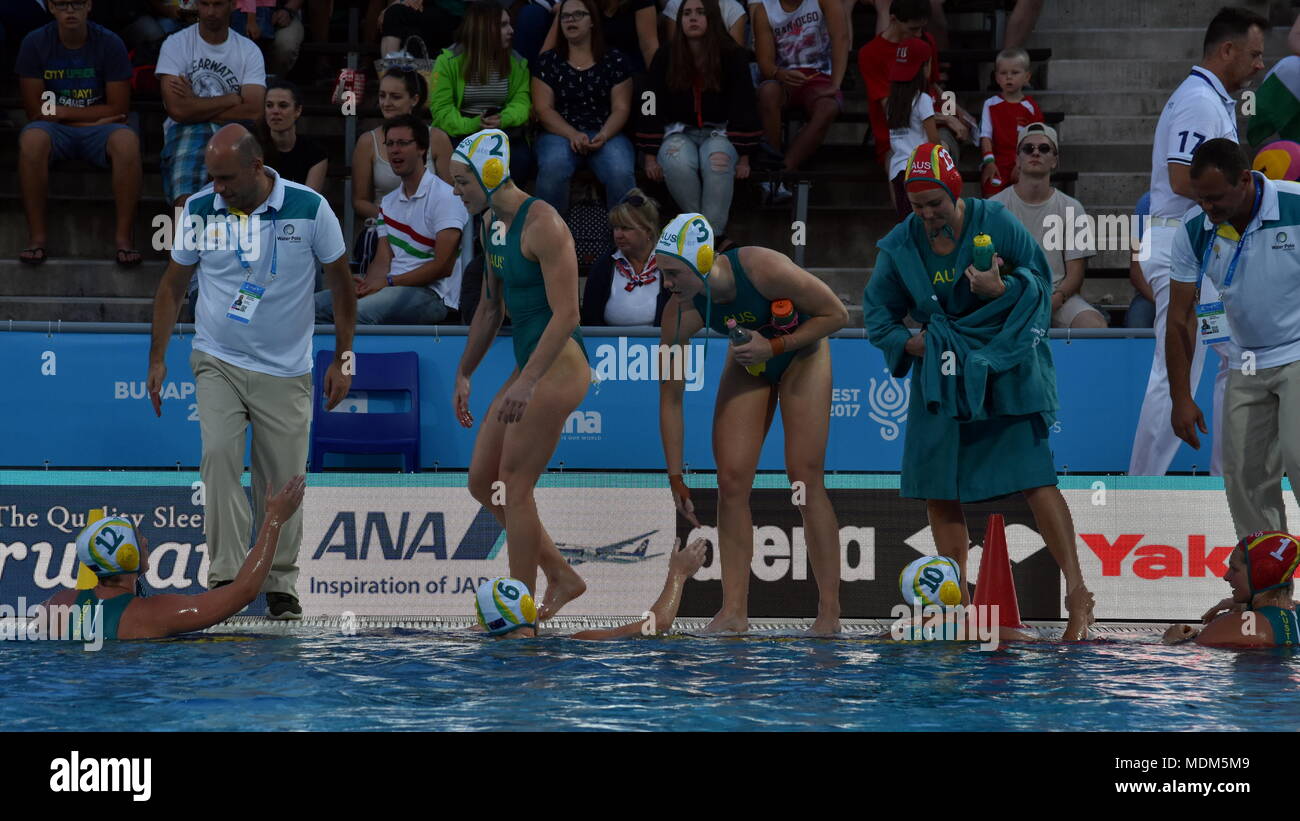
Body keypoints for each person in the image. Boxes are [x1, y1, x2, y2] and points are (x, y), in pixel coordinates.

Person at [862, 143, 1095, 640]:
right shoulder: (900, 245)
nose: (926, 215)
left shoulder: (994, 221)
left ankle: (1079, 595)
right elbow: (877, 313)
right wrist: (910, 341)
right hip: (942, 370)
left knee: (1036, 478)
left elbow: (1038, 277)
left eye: (935, 204)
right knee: (940, 490)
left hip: (1001, 363)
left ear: (955, 192)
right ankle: (958, 607)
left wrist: (1000, 291)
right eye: (918, 206)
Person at [147, 124, 357, 619]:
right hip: (218, 358)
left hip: (287, 370)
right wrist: (157, 357)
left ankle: (280, 583)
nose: (217, 188)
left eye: (226, 179)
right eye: (212, 178)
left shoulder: (310, 208)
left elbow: (344, 289)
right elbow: (172, 287)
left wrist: (345, 358)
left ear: (257, 167)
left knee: (283, 481)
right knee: (218, 454)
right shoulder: (199, 210)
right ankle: (224, 577)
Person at [656, 213, 849, 635]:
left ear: (703, 261)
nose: (666, 284)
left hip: (803, 355)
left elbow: (836, 314)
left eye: (672, 274)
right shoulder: (678, 314)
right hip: (749, 361)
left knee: (803, 480)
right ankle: (733, 612)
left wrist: (775, 344)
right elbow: (670, 396)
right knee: (731, 480)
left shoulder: (763, 267)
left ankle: (829, 613)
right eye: (663, 274)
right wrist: (675, 474)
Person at [449, 128, 591, 620]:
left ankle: (520, 612)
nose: (455, 190)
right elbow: (490, 307)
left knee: (513, 485)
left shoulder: (544, 224)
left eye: (462, 181)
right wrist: (465, 372)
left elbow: (568, 314)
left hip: (559, 366)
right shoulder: (490, 223)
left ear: (491, 176)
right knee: (481, 482)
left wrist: (527, 383)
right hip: (529, 364)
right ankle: (564, 576)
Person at [1129, 6, 1268, 478]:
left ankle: (1227, 479)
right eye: (1253, 54)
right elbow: (1181, 179)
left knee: (1234, 354)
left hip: (1202, 247)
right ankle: (1138, 490)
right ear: (1226, 50)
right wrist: (1247, 197)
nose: (1259, 66)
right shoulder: (1199, 102)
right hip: (1180, 245)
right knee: (1177, 370)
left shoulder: (1208, 100)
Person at [1168, 138, 1300, 540]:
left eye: (1215, 198)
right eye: (1201, 199)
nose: (1208, 208)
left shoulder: (1295, 205)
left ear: (1244, 180)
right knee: (1241, 478)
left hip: (1297, 352)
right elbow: (1180, 317)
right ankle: (1269, 590)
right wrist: (1180, 398)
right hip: (1244, 362)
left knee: (1298, 457)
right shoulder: (1194, 230)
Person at [35, 478, 306, 640]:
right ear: (128, 555)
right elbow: (244, 591)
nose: (145, 541)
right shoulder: (152, 614)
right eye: (138, 537)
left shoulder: (57, 604)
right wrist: (274, 521)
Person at [17, 0, 143, 266]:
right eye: (62, 4)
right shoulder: (35, 42)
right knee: (31, 139)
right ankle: (37, 238)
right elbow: (35, 110)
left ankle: (124, 239)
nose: (69, 11)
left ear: (88, 6)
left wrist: (61, 113)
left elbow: (119, 108)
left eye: (76, 3)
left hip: (101, 129)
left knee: (127, 141)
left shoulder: (109, 43)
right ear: (51, 7)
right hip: (66, 127)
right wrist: (85, 121)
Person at [317, 113, 469, 324]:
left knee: (356, 313)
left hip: (433, 295)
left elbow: (443, 266)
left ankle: (354, 358)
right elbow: (383, 259)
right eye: (389, 144)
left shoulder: (446, 197)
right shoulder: (388, 203)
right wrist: (368, 284)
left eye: (403, 143)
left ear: (422, 149)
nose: (394, 150)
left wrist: (388, 281)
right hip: (392, 286)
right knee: (312, 307)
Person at [636, 0, 759, 236]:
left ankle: (708, 238)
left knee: (718, 164)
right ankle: (704, 234)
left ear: (712, 18)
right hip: (677, 132)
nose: (693, 18)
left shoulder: (732, 55)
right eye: (687, 14)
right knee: (675, 163)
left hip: (721, 132)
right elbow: (650, 104)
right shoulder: (666, 55)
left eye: (700, 13)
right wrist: (650, 156)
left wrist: (744, 157)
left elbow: (745, 104)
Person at [991, 123, 1106, 329]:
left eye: (1044, 149)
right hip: (1008, 297)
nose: (1035, 152)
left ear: (1055, 161)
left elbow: (1075, 273)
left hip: (1056, 296)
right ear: (1017, 159)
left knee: (1094, 325)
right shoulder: (995, 207)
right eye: (1028, 148)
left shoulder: (1072, 207)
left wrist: (1055, 299)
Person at [476, 537, 708, 639]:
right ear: (529, 610)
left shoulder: (478, 642)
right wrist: (678, 573)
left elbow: (491, 624)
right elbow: (656, 625)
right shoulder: (577, 640)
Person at [155, 0, 266, 212]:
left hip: (235, 132)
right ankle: (182, 244)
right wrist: (231, 99)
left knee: (235, 203)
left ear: (233, 5)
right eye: (205, 4)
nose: (211, 12)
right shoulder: (176, 44)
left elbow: (253, 112)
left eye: (218, 4)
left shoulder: (248, 50)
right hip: (184, 130)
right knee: (186, 202)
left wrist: (194, 104)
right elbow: (177, 110)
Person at [531, 0, 636, 214]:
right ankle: (549, 238)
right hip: (559, 132)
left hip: (606, 130)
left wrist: (604, 135)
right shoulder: (548, 62)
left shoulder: (615, 60)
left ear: (592, 22)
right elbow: (543, 110)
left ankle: (624, 239)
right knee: (554, 166)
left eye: (578, 14)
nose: (571, 20)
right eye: (565, 16)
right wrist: (572, 134)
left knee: (620, 171)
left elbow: (621, 108)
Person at [352, 68, 454, 274]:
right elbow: (360, 201)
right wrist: (395, 220)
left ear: (414, 99)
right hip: (383, 226)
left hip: (430, 226)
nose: (386, 102)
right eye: (382, 95)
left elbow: (453, 194)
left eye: (395, 96)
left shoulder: (438, 139)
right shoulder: (367, 142)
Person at [750, 0, 847, 203]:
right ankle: (771, 164)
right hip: (783, 78)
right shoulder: (764, 9)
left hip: (819, 76)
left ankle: (782, 172)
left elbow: (841, 38)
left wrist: (835, 83)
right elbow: (765, 63)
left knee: (828, 106)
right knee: (767, 92)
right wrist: (779, 73)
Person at [858, 0, 969, 175]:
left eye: (921, 28)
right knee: (902, 177)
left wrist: (955, 109)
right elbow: (892, 108)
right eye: (912, 29)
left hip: (937, 125)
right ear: (893, 19)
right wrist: (947, 119)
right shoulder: (871, 53)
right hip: (899, 133)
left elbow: (934, 85)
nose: (918, 34)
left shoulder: (926, 40)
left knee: (941, 157)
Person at [430, 2, 535, 183]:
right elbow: (442, 109)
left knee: (520, 161)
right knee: (461, 162)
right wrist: (473, 125)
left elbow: (522, 102)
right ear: (483, 28)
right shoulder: (448, 61)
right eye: (503, 25)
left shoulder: (517, 63)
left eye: (510, 24)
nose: (511, 30)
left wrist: (504, 119)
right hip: (460, 129)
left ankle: (505, 210)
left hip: (502, 128)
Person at [1163, 531, 1300, 647]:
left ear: (1259, 575)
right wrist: (1245, 605)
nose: (1226, 576)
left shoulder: (1231, 625)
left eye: (1234, 569)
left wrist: (1173, 641)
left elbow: (1190, 657)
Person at [581, 189, 669, 325]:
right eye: (616, 228)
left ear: (648, 230)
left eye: (626, 228)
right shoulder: (603, 266)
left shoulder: (670, 264)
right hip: (607, 345)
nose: (618, 235)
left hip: (660, 344)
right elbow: (590, 318)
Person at [884, 36, 940, 221]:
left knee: (907, 224)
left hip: (897, 170)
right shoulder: (922, 99)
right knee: (925, 225)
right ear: (924, 67)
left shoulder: (890, 102)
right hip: (920, 169)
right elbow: (933, 141)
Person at [978, 47, 1043, 198]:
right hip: (997, 164)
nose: (1008, 77)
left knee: (1024, 199)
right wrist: (989, 162)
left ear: (1027, 77)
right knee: (992, 200)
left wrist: (1022, 163)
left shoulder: (1031, 107)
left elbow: (1037, 139)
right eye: (1003, 73)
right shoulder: (990, 104)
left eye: (1014, 73)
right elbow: (985, 136)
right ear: (996, 77)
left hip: (1024, 162)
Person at [540, 0, 657, 73]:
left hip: (630, 70)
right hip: (590, 70)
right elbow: (548, 49)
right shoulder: (577, 3)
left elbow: (649, 47)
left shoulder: (641, 2)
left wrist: (657, 85)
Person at [259, 79, 326, 192]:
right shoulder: (253, 148)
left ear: (298, 110)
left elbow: (308, 201)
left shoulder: (315, 153)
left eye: (283, 105)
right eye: (269, 105)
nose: (275, 111)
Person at [231, 0, 304, 76]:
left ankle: (271, 80)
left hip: (272, 11)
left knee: (265, 49)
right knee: (246, 51)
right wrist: (251, 19)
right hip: (245, 12)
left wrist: (288, 10)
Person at [1126, 191, 1155, 328]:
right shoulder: (1147, 202)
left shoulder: (1205, 203)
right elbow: (1136, 273)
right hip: (1153, 293)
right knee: (1137, 324)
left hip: (1197, 296)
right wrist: (1164, 303)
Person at [662, 0, 745, 46]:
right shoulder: (674, 4)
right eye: (687, 13)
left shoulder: (734, 9)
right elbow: (673, 50)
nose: (693, 18)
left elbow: (735, 56)